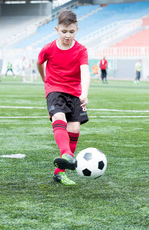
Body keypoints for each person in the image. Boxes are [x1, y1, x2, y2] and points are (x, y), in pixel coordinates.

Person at [36, 10, 90, 186]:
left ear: (77, 29)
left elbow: (85, 72)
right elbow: (39, 62)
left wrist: (85, 93)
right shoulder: (49, 48)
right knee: (59, 117)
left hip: (74, 92)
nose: (68, 35)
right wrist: (46, 81)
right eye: (64, 31)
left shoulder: (81, 50)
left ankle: (59, 172)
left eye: (72, 32)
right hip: (55, 90)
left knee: (74, 128)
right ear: (56, 29)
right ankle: (67, 154)